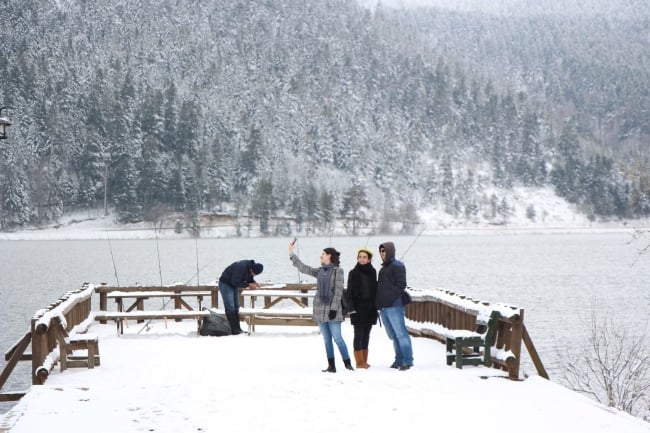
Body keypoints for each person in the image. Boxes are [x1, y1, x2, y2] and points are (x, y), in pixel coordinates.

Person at [289, 241, 353, 373]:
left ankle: (348, 364)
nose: (321, 256)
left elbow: (338, 291)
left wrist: (334, 309)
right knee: (326, 339)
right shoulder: (319, 271)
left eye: (323, 254)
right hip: (319, 310)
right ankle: (331, 366)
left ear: (329, 256)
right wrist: (291, 253)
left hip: (333, 311)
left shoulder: (338, 271)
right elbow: (303, 268)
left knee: (337, 338)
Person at [375, 242, 414, 370]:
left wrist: (390, 298)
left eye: (384, 251)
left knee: (401, 334)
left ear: (390, 251)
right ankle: (399, 360)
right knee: (393, 335)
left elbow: (401, 285)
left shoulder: (398, 266)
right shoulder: (382, 269)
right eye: (380, 251)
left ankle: (407, 361)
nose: (382, 253)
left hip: (394, 306)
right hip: (384, 307)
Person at [346, 247, 378, 369]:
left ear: (369, 259)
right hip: (357, 309)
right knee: (358, 335)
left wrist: (375, 306)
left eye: (364, 257)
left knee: (366, 335)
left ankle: (365, 360)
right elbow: (349, 293)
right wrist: (351, 308)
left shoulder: (373, 272)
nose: (362, 259)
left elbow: (374, 289)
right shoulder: (353, 273)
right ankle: (359, 363)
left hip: (370, 309)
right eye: (360, 257)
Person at [218, 260, 263, 335]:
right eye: (252, 273)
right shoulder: (241, 267)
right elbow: (235, 281)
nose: (252, 274)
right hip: (226, 284)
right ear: (251, 268)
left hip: (233, 285)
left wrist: (253, 282)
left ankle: (237, 329)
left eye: (254, 274)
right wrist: (248, 285)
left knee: (236, 307)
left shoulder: (251, 268)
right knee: (230, 307)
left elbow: (249, 278)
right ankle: (233, 330)